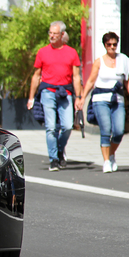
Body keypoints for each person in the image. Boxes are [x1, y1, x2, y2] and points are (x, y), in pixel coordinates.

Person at [27, 21, 83, 171]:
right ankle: (53, 159)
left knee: (67, 126)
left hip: (65, 93)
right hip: (47, 92)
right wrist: (31, 97)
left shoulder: (71, 52)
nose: (51, 36)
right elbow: (36, 76)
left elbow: (76, 77)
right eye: (50, 33)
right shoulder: (42, 52)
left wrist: (79, 97)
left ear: (62, 35)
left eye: (55, 33)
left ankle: (59, 149)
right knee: (51, 127)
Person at [80, 32, 129, 173]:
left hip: (117, 99)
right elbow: (91, 81)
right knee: (105, 130)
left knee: (118, 131)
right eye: (109, 44)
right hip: (100, 99)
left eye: (114, 44)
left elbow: (127, 81)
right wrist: (82, 98)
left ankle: (111, 154)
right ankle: (106, 161)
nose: (112, 47)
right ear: (105, 45)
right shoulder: (99, 61)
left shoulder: (123, 59)